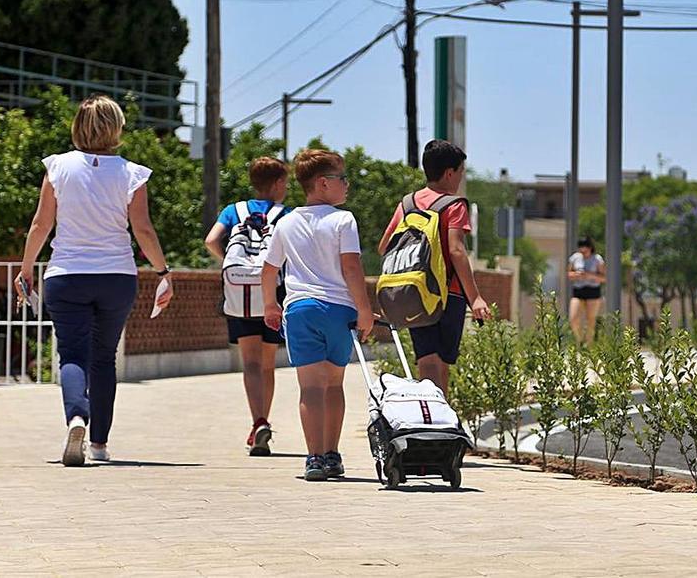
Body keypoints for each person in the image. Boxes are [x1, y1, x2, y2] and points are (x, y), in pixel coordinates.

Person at [14, 94, 173, 467]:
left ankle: (76, 418)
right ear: (116, 128)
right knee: (104, 358)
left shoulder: (57, 167)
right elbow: (143, 230)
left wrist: (26, 268)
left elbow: (41, 224)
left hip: (67, 275)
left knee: (72, 354)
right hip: (116, 276)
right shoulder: (132, 173)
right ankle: (99, 444)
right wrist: (164, 271)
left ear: (78, 127)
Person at [261, 149, 373, 481]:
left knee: (309, 387)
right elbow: (351, 267)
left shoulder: (286, 222)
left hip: (299, 310)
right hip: (338, 309)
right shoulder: (343, 220)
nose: (347, 185)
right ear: (323, 183)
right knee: (334, 385)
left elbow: (269, 271)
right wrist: (365, 309)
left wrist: (270, 305)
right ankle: (332, 454)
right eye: (343, 179)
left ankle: (313, 458)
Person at [378, 139, 491, 394]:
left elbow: (384, 246)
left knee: (426, 358)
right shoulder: (454, 205)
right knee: (442, 360)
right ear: (450, 173)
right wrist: (475, 298)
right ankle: (441, 419)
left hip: (415, 291)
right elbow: (456, 250)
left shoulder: (407, 204)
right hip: (448, 292)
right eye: (460, 173)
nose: (460, 178)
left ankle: (429, 414)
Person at [204, 157, 291, 456]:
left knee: (250, 363)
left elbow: (211, 240)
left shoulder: (234, 210)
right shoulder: (285, 214)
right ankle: (264, 422)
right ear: (278, 183)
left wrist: (229, 264)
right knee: (267, 364)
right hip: (273, 295)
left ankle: (258, 422)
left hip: (239, 295)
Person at [567, 237, 606, 343]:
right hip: (578, 290)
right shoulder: (575, 258)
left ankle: (589, 346)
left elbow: (603, 278)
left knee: (590, 321)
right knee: (573, 319)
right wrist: (576, 274)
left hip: (593, 290)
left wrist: (589, 275)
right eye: (581, 249)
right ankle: (580, 340)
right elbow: (569, 274)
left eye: (586, 250)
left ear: (590, 248)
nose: (583, 252)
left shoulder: (597, 259)